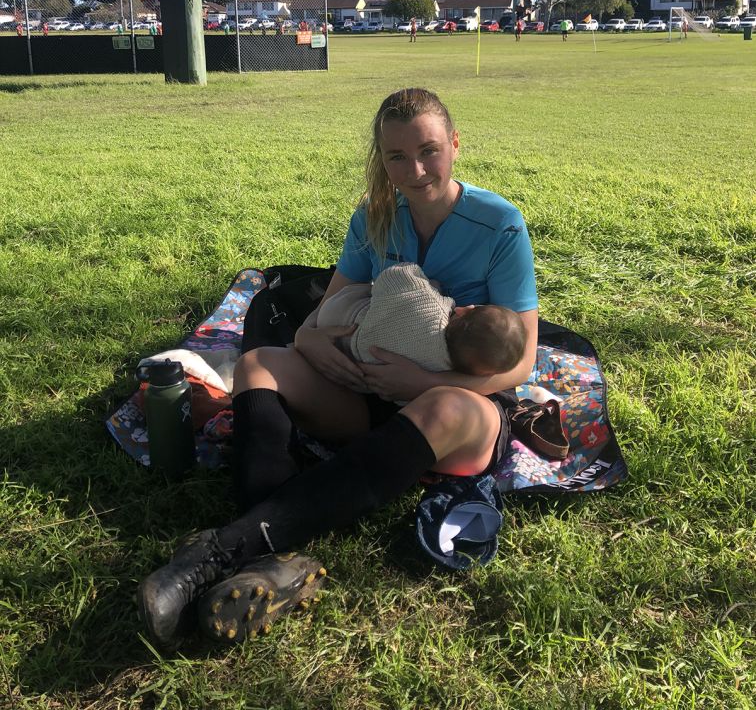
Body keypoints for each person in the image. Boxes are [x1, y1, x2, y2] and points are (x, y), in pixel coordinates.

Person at [137, 87, 539, 649]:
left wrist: (424, 382)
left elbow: (520, 361)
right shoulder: (374, 218)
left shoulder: (500, 224)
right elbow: (322, 315)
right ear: (381, 159)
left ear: (454, 144)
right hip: (364, 394)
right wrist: (311, 341)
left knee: (443, 407)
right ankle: (275, 566)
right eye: (397, 156)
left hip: (458, 410)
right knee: (259, 364)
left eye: (428, 150)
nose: (416, 169)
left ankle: (217, 554)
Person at [317, 262, 527, 383]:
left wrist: (430, 286)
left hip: (338, 317)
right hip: (353, 371)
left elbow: (395, 274)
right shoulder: (441, 369)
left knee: (378, 295)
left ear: (463, 311)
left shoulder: (430, 306)